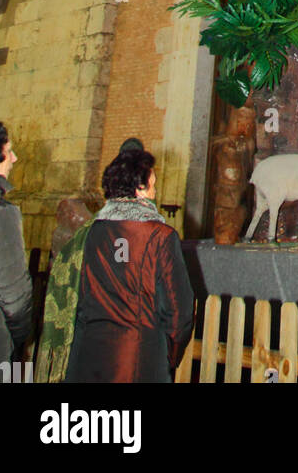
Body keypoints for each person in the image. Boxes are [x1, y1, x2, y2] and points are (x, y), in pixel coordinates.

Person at [37, 146, 194, 383]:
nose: (156, 190)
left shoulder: (86, 235)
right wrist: (168, 354)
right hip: (138, 359)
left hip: (85, 358)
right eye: (153, 183)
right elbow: (178, 312)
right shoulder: (160, 236)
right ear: (139, 188)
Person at [0, 121, 33, 365]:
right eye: (9, 151)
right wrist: (19, 340)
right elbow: (15, 297)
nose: (14, 159)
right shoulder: (0, 213)